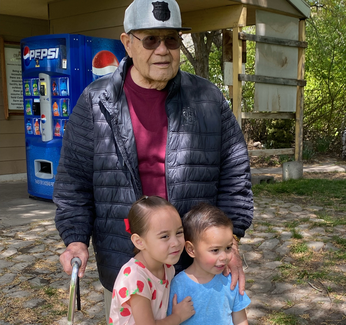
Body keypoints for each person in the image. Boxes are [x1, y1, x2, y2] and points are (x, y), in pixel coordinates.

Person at [53, 0, 253, 321]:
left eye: (171, 39)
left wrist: (230, 244)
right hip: (128, 267)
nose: (162, 50)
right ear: (127, 43)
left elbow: (235, 176)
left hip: (195, 266)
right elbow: (73, 183)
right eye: (150, 40)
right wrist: (75, 239)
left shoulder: (207, 99)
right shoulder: (95, 101)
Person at [108, 195, 194, 325]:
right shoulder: (135, 278)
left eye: (179, 232)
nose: (175, 242)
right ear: (139, 242)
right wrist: (178, 316)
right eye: (165, 236)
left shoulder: (167, 267)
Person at [167, 203, 251, 325]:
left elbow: (240, 320)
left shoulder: (230, 281)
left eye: (228, 248)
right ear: (191, 249)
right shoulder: (178, 285)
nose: (224, 257)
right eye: (215, 250)